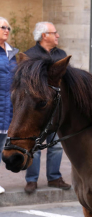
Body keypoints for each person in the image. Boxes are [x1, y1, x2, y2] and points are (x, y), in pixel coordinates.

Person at [23, 22, 71, 194]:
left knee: (56, 145)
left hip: (57, 109)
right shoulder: (30, 55)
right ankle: (31, 180)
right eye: (54, 32)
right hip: (38, 110)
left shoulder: (62, 54)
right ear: (44, 35)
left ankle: (54, 177)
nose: (58, 35)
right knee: (34, 145)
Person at [0, 17, 19, 194]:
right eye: (3, 27)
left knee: (2, 147)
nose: (6, 30)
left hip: (9, 107)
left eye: (8, 28)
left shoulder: (13, 54)